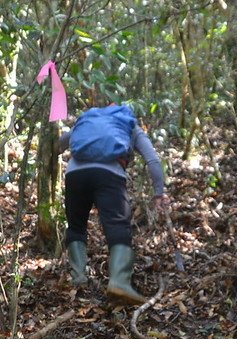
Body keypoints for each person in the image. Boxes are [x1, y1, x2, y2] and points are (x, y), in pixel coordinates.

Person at [58, 108, 169, 305]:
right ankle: (119, 281)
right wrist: (159, 192)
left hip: (75, 173)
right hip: (109, 174)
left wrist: (50, 154)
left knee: (76, 225)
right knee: (118, 226)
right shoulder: (129, 124)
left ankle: (78, 279)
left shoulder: (87, 121)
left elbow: (59, 144)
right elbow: (152, 159)